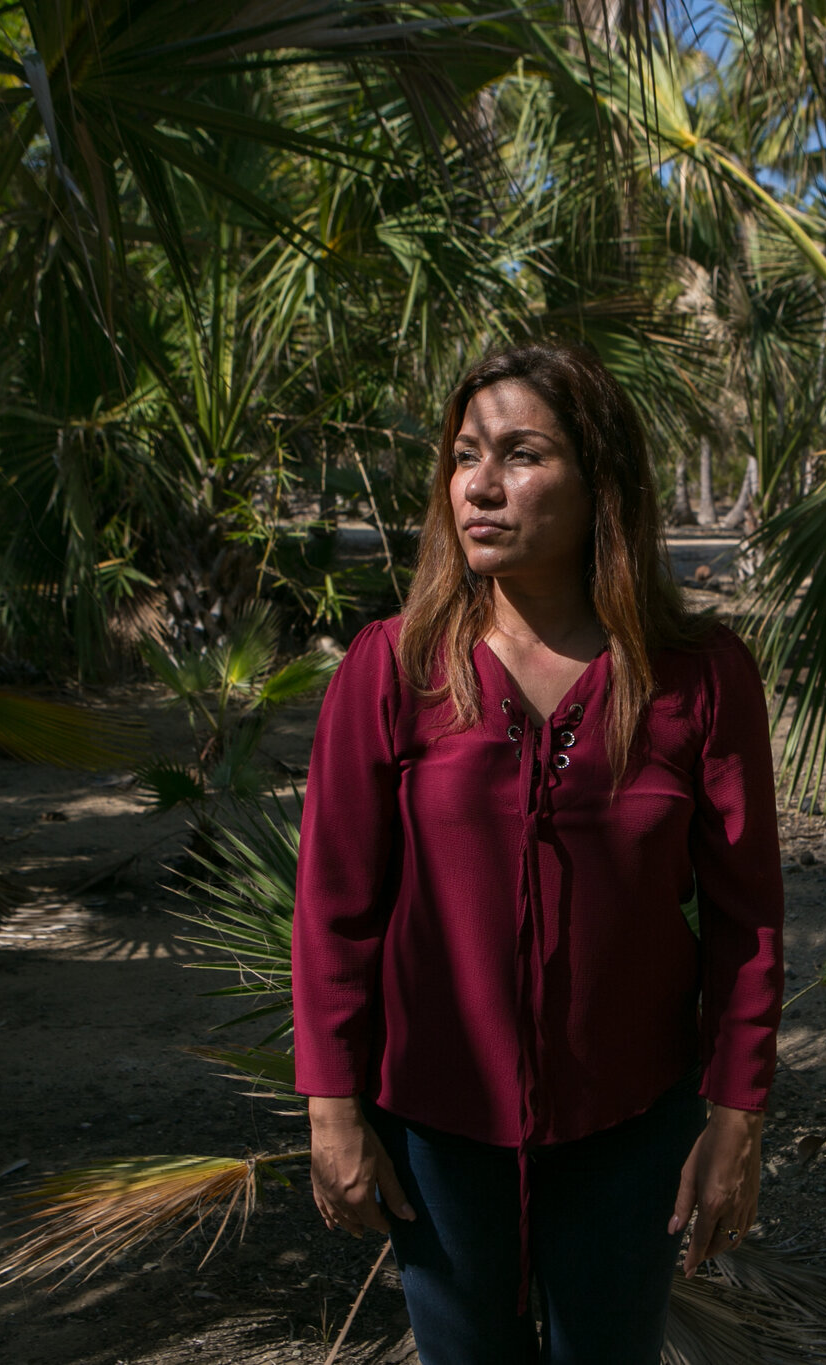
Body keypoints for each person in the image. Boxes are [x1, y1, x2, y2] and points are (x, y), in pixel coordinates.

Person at [291, 342, 785, 1365]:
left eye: (520, 454)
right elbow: (335, 907)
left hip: (631, 1124)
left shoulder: (699, 679)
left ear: (600, 481)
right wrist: (332, 1110)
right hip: (437, 1130)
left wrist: (736, 1118)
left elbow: (747, 918)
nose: (478, 485)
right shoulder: (392, 670)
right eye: (464, 456)